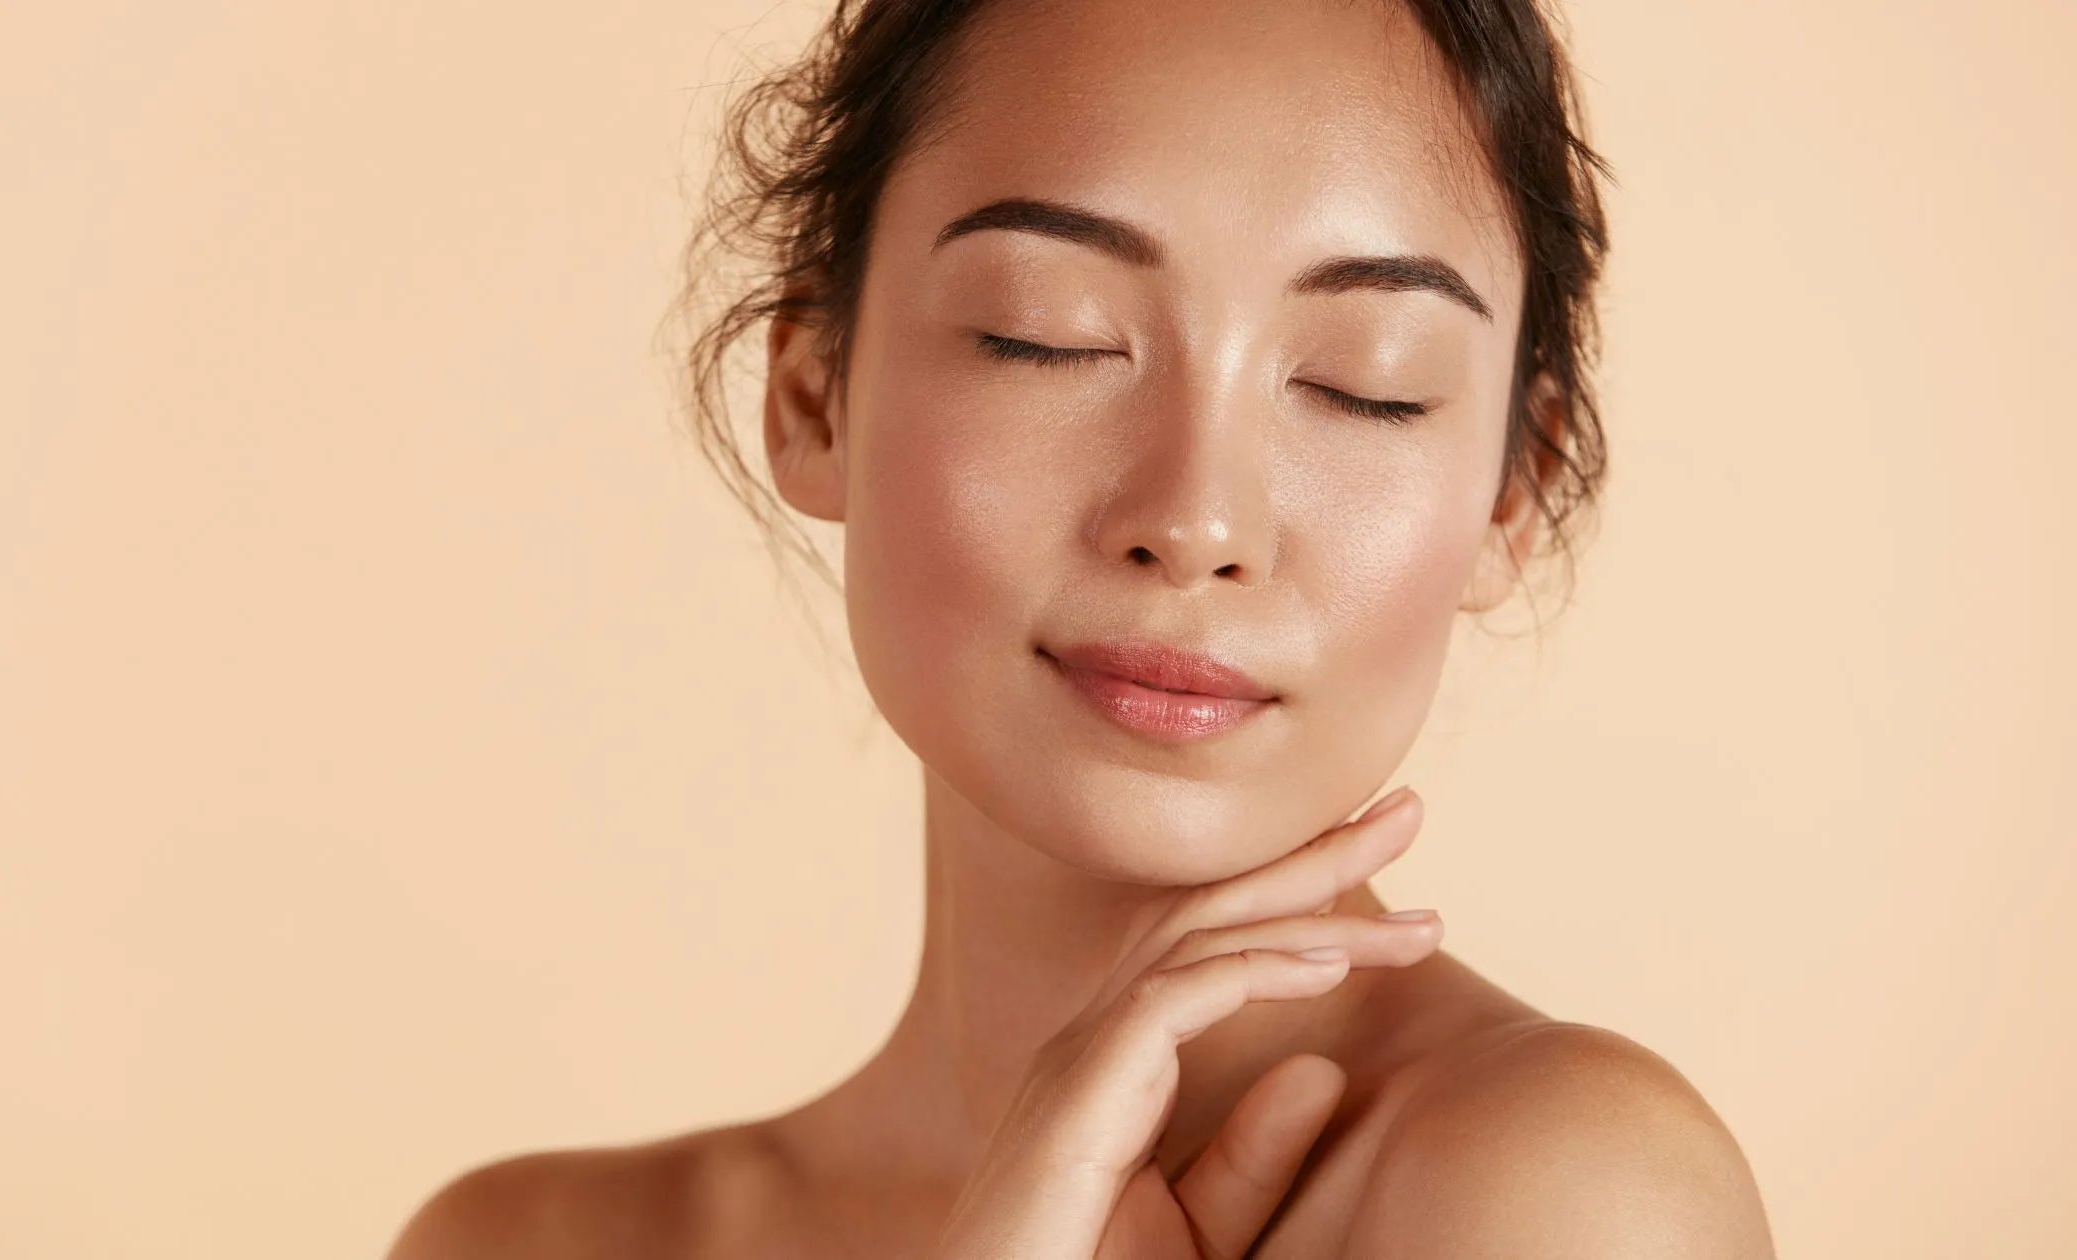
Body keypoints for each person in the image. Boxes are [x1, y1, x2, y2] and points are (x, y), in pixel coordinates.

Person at [387, 0, 1777, 1255]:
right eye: (1048, 335)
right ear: (815, 394)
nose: (1197, 519)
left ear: (1509, 496)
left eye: (1370, 386)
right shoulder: (526, 1245)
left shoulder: (1562, 1199)